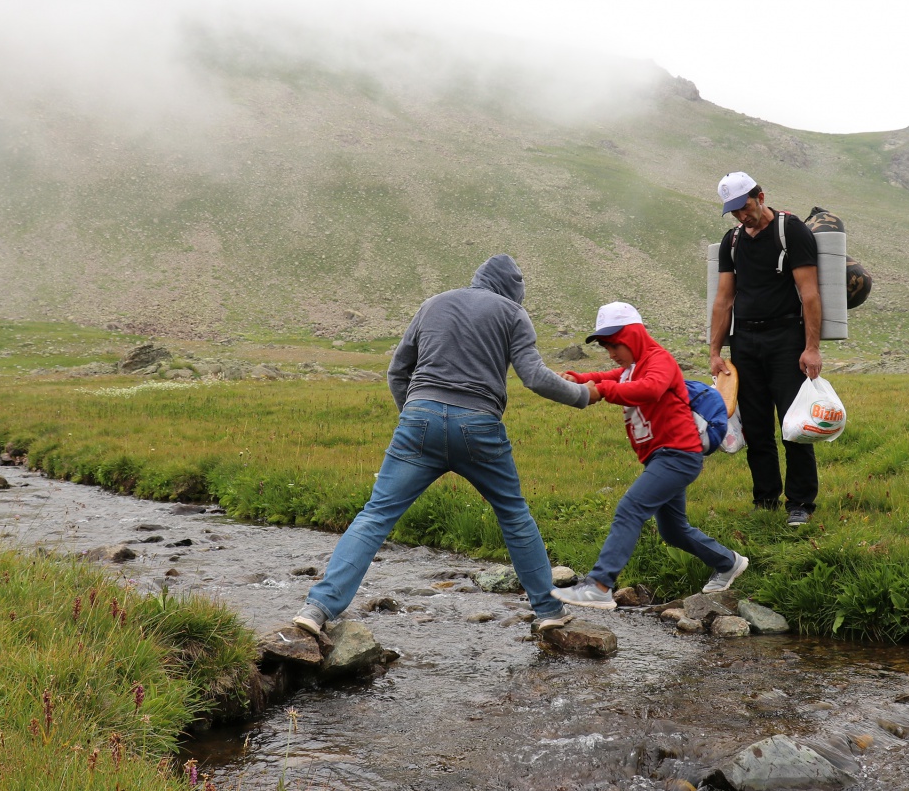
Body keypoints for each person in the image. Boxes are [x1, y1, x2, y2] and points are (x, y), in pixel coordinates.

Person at [294, 254, 589, 639]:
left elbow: (397, 372)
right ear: (513, 291)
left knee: (375, 516)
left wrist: (414, 418)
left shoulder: (432, 304)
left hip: (418, 420)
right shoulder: (513, 313)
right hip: (479, 426)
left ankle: (317, 608)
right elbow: (533, 376)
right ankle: (548, 611)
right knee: (514, 516)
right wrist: (582, 395)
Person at [551, 302, 747, 609]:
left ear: (633, 337)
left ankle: (599, 585)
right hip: (664, 457)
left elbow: (651, 389)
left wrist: (602, 392)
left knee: (630, 509)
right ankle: (728, 562)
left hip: (678, 455)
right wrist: (578, 378)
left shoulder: (659, 360)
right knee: (673, 530)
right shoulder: (631, 367)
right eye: (606, 347)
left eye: (615, 345)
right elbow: (608, 375)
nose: (611, 353)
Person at [707, 171, 822, 528]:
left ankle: (800, 503)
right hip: (745, 343)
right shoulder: (732, 242)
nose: (742, 216)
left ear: (760, 197)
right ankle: (766, 499)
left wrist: (811, 348)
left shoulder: (792, 232)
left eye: (745, 207)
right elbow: (724, 300)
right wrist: (715, 353)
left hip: (786, 339)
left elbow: (809, 294)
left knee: (794, 424)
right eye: (734, 211)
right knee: (756, 428)